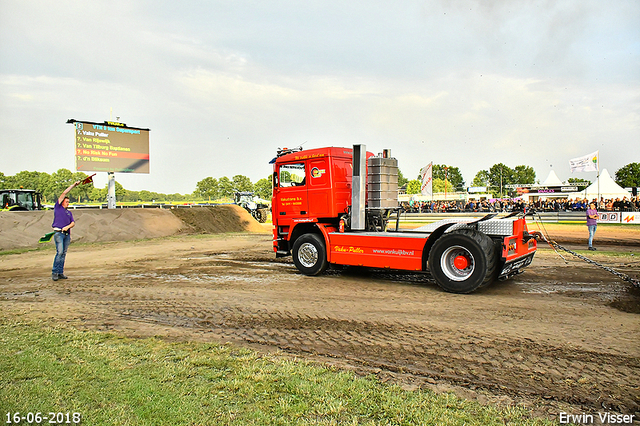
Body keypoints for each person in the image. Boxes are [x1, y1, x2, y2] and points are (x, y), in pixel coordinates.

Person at [51, 180, 81, 280]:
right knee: (59, 252)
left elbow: (73, 223)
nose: (68, 203)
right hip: (59, 234)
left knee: (63, 253)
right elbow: (64, 193)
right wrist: (73, 185)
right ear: (62, 201)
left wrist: (67, 227)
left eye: (68, 202)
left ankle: (60, 272)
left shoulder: (69, 213)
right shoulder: (58, 208)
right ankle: (54, 272)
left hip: (66, 235)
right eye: (66, 201)